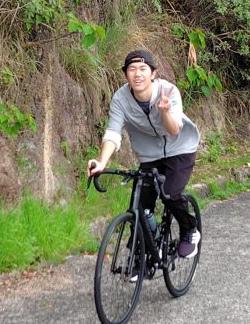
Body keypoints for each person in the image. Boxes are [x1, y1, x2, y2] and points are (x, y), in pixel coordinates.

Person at [86, 50, 201, 258]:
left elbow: (174, 130)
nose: (137, 74)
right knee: (140, 206)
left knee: (170, 194)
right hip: (149, 155)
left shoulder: (168, 91)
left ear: (153, 73)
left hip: (180, 148)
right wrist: (101, 162)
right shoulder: (120, 99)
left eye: (142, 69)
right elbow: (113, 133)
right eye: (132, 69)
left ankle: (189, 229)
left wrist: (164, 112)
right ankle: (140, 255)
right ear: (126, 75)